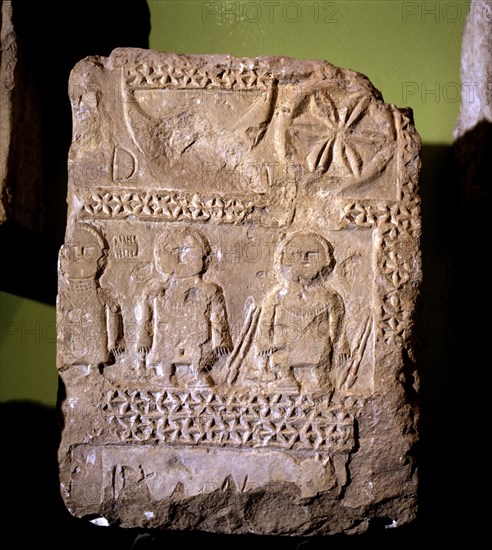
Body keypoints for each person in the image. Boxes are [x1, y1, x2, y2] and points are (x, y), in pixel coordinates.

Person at [252, 231, 349, 392]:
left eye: (311, 254)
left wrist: (341, 346)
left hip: (318, 347)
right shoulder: (277, 296)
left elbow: (337, 326)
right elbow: (265, 322)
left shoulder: (330, 297)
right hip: (284, 346)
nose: (304, 259)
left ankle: (320, 376)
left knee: (322, 349)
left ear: (324, 260)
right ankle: (285, 376)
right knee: (283, 354)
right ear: (286, 260)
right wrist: (264, 341)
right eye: (297, 254)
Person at [138, 226, 232, 387]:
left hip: (198, 335)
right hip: (166, 334)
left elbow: (218, 317)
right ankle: (166, 375)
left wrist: (220, 341)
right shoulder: (155, 290)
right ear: (160, 258)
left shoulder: (210, 290)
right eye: (174, 252)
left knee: (199, 352)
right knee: (165, 353)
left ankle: (199, 373)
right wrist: (143, 340)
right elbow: (146, 318)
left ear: (205, 259)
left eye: (189, 251)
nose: (181, 258)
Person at [57, 223, 124, 375]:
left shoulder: (101, 293)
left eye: (87, 252)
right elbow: (61, 322)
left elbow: (113, 313)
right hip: (72, 340)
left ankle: (94, 369)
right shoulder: (64, 295)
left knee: (94, 356)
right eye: (73, 252)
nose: (78, 257)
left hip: (95, 341)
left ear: (100, 261)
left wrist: (113, 342)